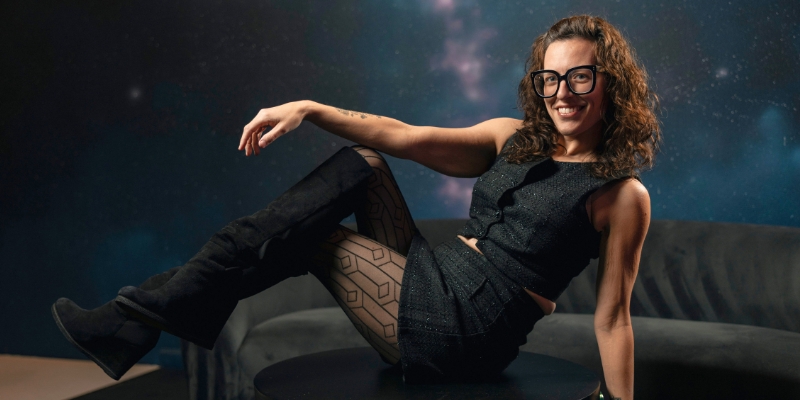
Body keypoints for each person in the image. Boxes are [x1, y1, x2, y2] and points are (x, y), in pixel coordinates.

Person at [52, 15, 659, 400]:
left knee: (311, 234)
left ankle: (136, 319)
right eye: (550, 79)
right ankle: (138, 318)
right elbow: (403, 136)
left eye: (580, 77)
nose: (561, 93)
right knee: (364, 162)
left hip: (468, 333)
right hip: (435, 275)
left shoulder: (620, 194)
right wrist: (311, 109)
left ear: (610, 82)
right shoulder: (511, 136)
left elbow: (613, 319)